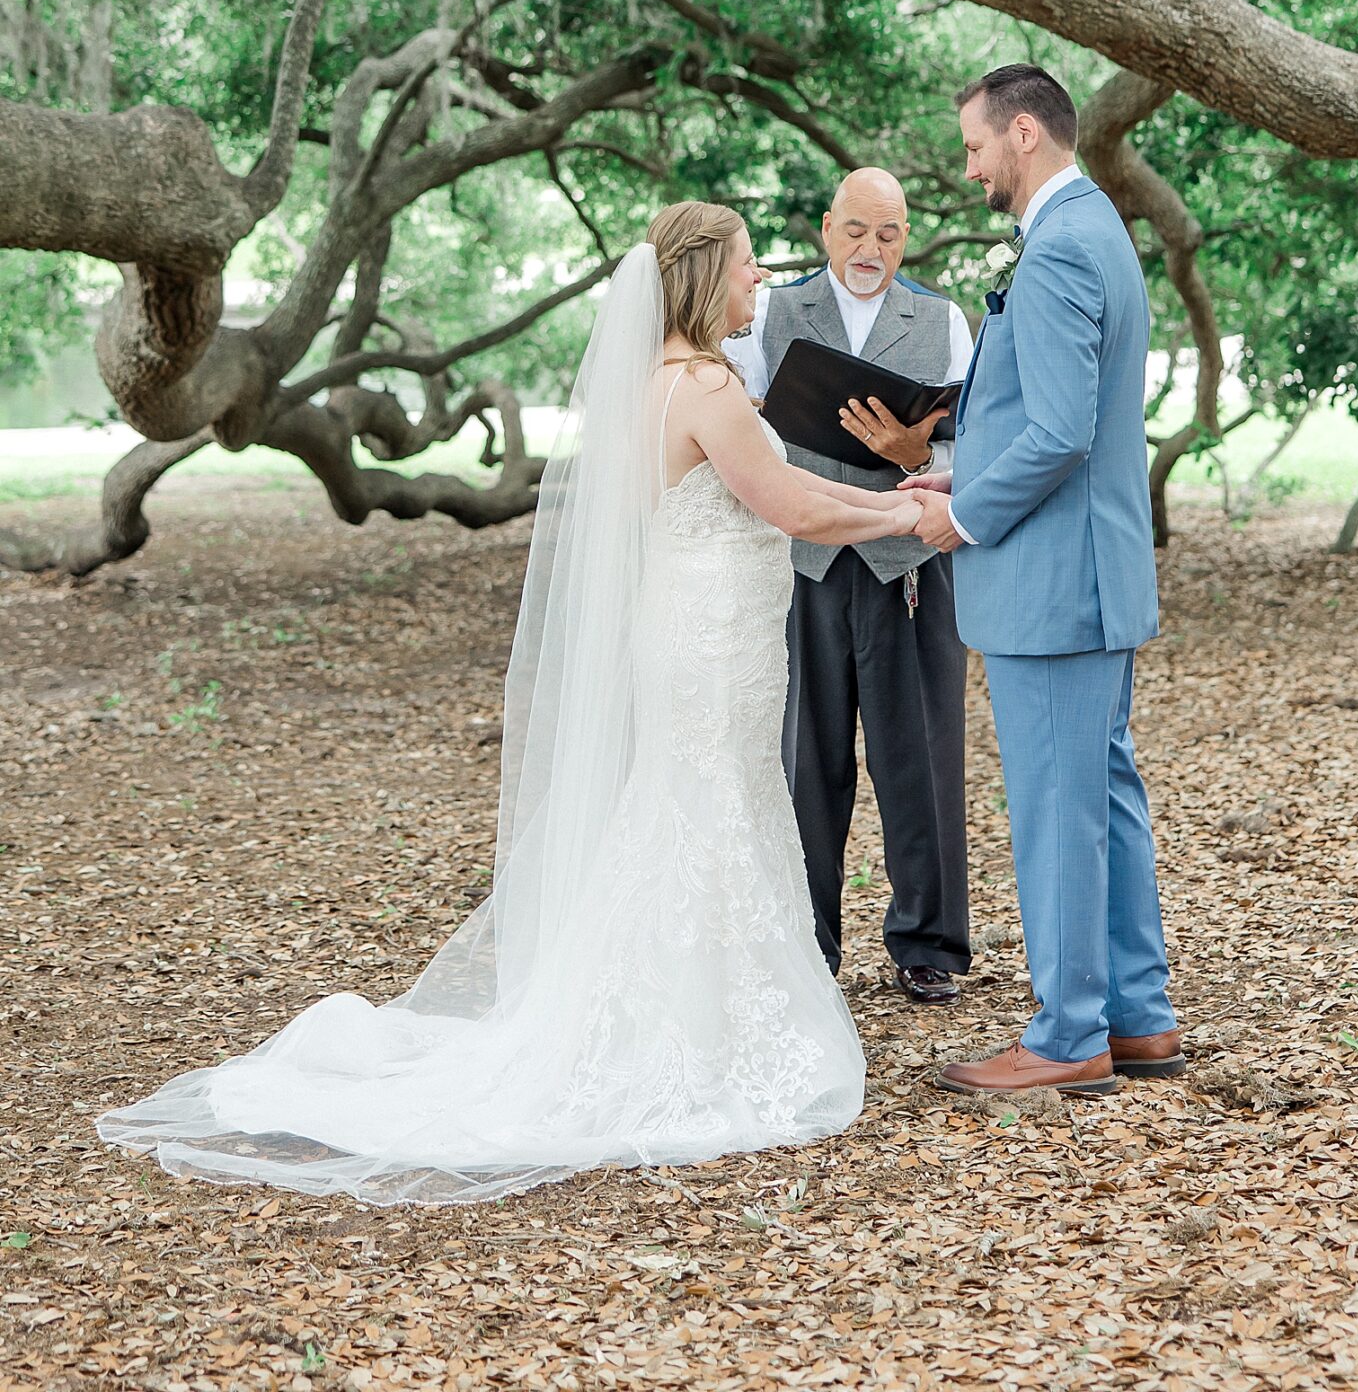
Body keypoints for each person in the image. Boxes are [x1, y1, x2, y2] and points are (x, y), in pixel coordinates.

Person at [96, 203, 922, 1202]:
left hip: (700, 634)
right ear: (705, 277)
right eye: (748, 266)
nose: (761, 281)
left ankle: (696, 1012)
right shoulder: (707, 388)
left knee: (701, 807)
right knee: (709, 808)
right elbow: (795, 506)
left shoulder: (656, 388)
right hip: (711, 643)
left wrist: (896, 503)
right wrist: (917, 507)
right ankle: (696, 1038)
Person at [903, 66, 1184, 1097]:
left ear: (1024, 133)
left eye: (976, 144)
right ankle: (1139, 1019)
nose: (970, 164)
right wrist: (961, 466)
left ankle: (1070, 1035)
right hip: (1083, 573)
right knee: (1101, 798)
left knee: (1059, 808)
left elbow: (1063, 431)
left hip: (1053, 585)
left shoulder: (1063, 245)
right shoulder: (1093, 228)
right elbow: (1056, 416)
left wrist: (963, 513)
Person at [726, 169, 976, 1006]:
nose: (871, 250)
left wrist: (916, 456)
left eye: (890, 235)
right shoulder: (768, 313)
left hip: (909, 565)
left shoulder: (941, 320)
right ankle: (808, 942)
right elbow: (739, 424)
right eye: (856, 231)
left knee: (923, 755)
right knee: (807, 760)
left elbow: (974, 452)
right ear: (826, 226)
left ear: (907, 239)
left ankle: (928, 943)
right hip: (802, 564)